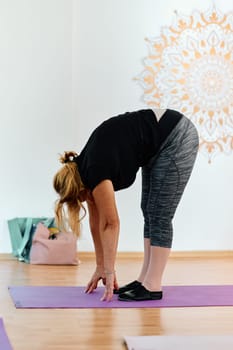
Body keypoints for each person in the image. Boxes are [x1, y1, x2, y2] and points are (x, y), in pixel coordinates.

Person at [53, 108, 199, 302]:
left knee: (159, 213)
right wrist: (100, 266)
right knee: (149, 209)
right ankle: (144, 280)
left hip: (176, 137)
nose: (83, 203)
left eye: (78, 200)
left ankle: (153, 285)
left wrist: (110, 271)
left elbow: (111, 223)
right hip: (157, 143)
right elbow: (97, 223)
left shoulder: (95, 170)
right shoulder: (84, 169)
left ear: (78, 190)